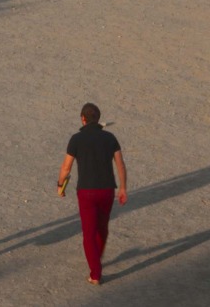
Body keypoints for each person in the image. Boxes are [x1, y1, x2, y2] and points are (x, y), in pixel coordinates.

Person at [57, 102, 128, 285]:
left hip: (86, 192)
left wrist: (60, 185)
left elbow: (66, 167)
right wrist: (123, 188)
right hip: (106, 190)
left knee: (88, 234)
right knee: (102, 229)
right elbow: (120, 164)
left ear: (83, 119)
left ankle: (95, 273)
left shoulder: (76, 139)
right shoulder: (110, 138)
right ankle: (96, 259)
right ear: (98, 119)